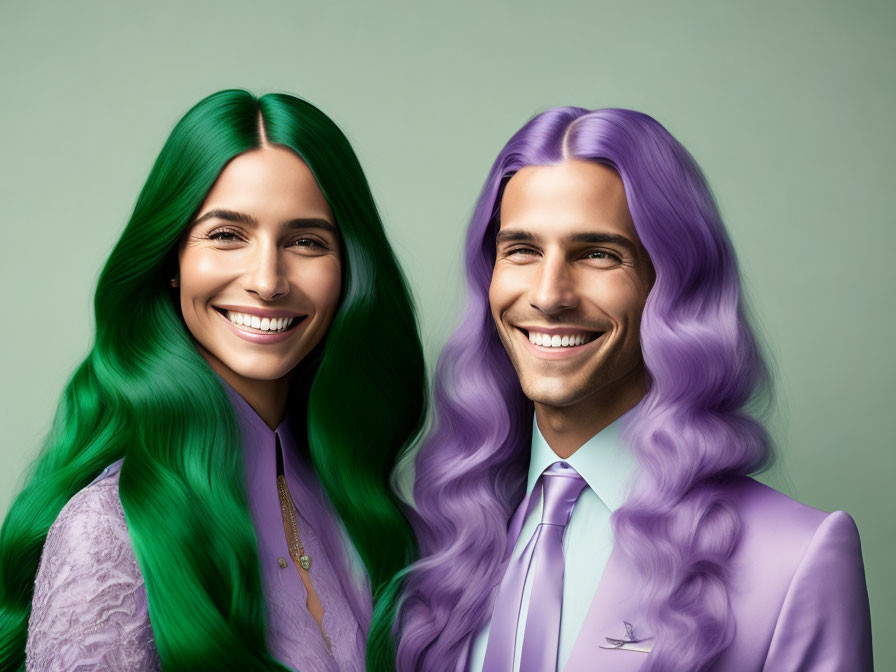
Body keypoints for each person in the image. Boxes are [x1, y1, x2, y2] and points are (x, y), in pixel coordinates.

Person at [394, 107, 872, 671]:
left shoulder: (793, 559)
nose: (549, 296)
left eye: (598, 254)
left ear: (672, 284)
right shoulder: (435, 545)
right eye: (521, 249)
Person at [0, 90, 425, 672]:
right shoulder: (108, 530)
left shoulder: (370, 514)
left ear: (347, 270)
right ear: (170, 262)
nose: (268, 280)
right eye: (227, 235)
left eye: (306, 241)